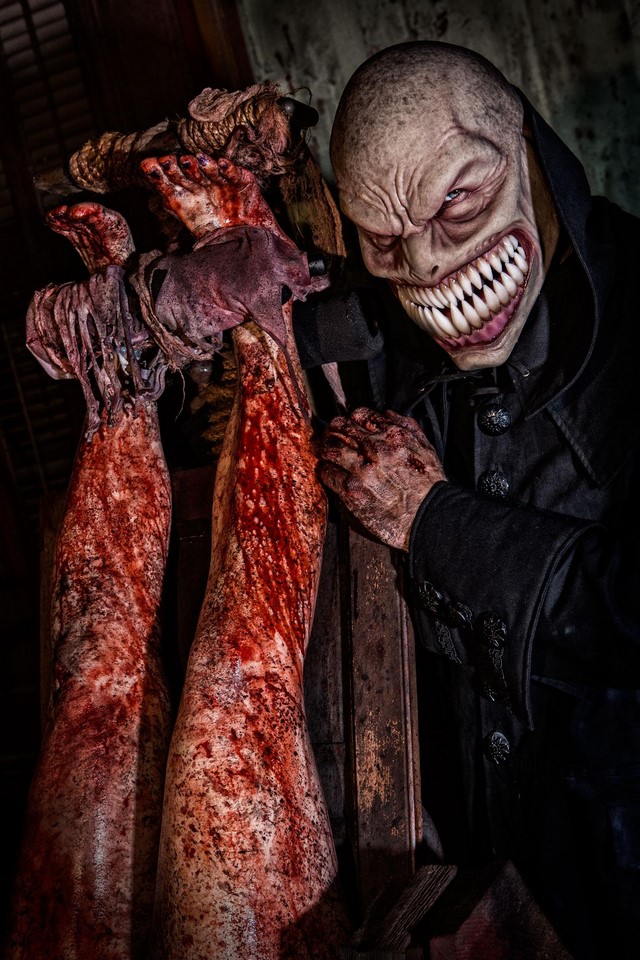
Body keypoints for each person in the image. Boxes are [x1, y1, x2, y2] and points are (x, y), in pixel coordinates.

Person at [309, 40, 640, 960]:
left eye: (457, 200)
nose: (424, 264)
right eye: (384, 239)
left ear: (529, 148)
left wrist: (434, 521)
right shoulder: (383, 328)